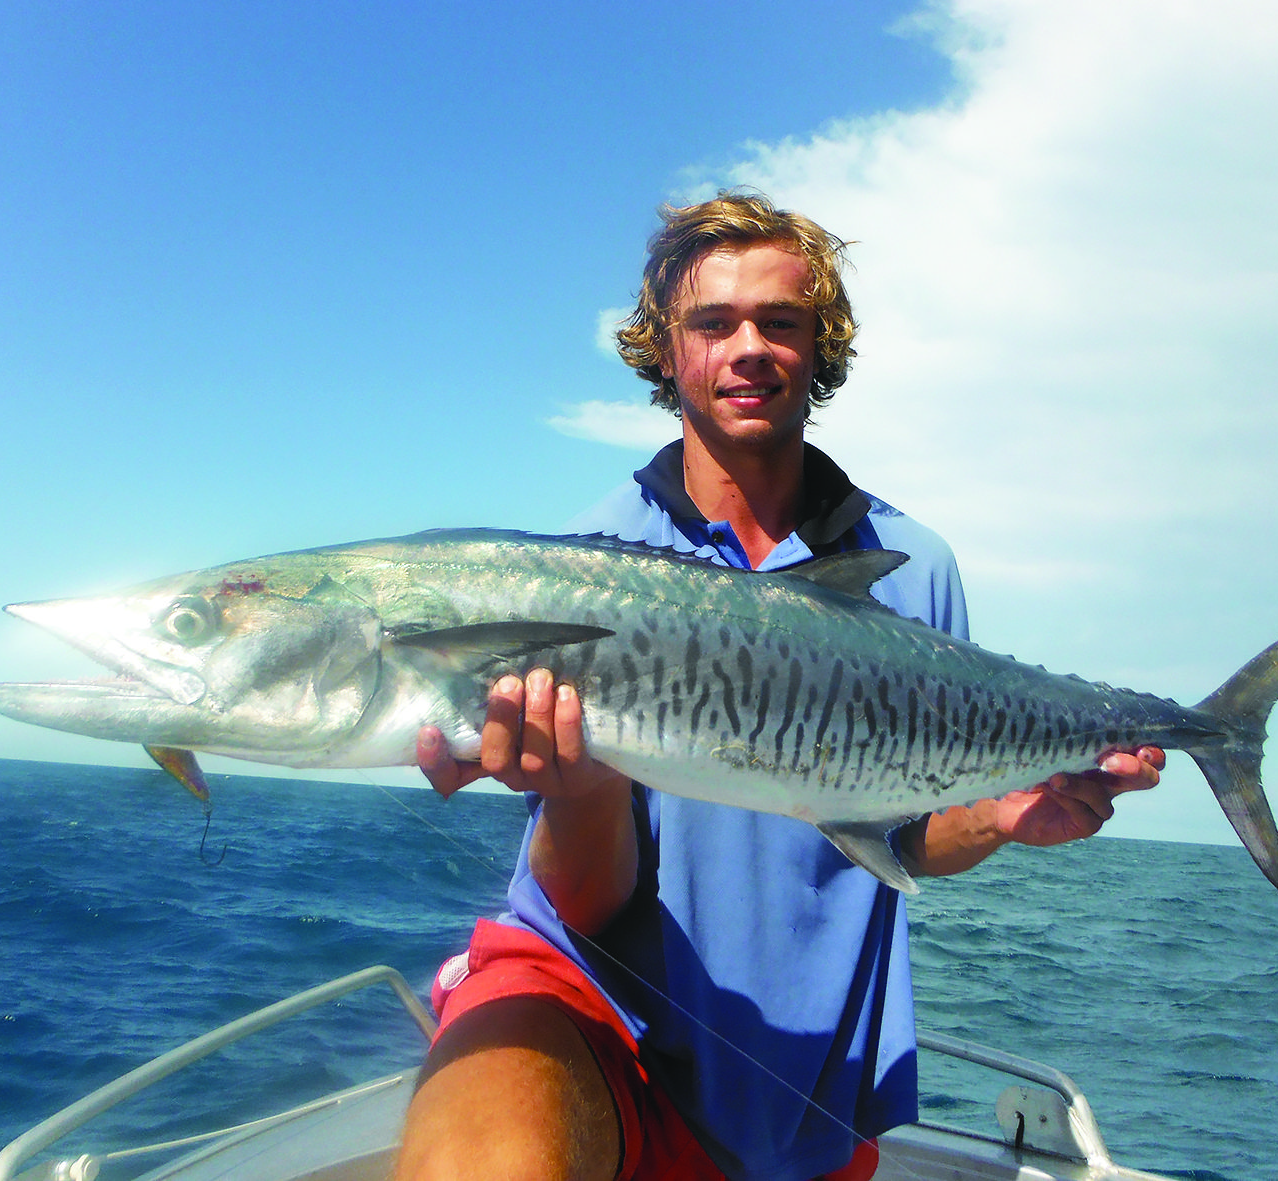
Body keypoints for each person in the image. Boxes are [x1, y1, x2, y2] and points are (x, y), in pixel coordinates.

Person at [395, 191, 1163, 1181]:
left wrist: (1003, 815)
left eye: (780, 321)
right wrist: (576, 780)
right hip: (590, 1009)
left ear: (819, 346)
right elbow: (586, 899)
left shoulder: (909, 564)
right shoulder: (585, 564)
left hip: (809, 1074)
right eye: (713, 323)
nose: (747, 345)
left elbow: (904, 831)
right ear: (665, 350)